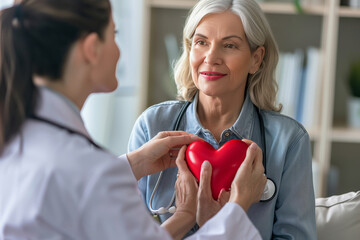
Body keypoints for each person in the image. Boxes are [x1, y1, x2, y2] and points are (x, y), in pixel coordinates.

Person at [0, 0, 267, 239]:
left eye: (229, 45)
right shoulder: (90, 172)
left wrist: (135, 166)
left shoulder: (19, 137)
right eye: (114, 35)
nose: (119, 50)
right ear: (92, 48)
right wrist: (237, 206)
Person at [128, 0, 317, 239]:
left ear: (256, 59)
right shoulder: (151, 126)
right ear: (189, 50)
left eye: (229, 45)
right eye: (201, 42)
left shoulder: (289, 141)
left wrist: (225, 224)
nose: (211, 56)